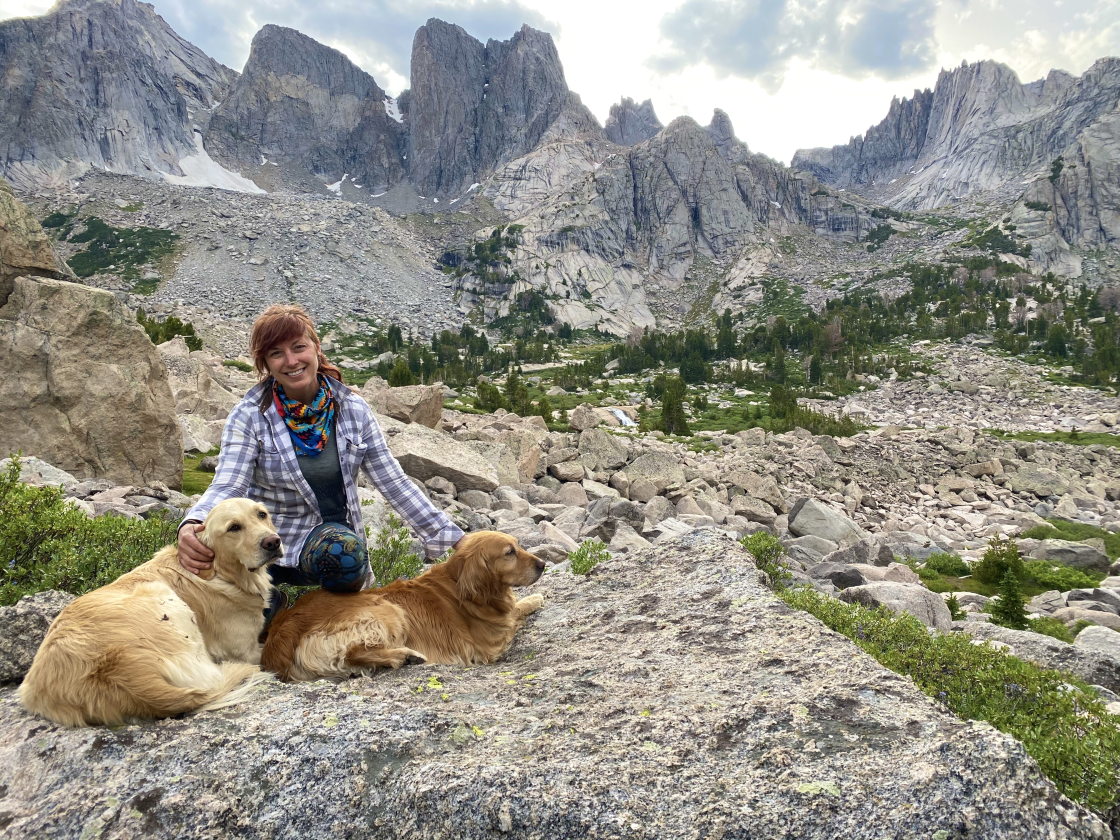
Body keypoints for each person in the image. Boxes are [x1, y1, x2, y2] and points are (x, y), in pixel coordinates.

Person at [178, 304, 464, 604]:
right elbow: (228, 484)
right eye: (276, 353)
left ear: (316, 347)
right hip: (263, 542)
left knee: (346, 555)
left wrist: (456, 539)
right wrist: (191, 522)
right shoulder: (250, 415)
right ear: (266, 363)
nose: (291, 361)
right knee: (206, 583)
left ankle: (330, 614)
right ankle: (271, 604)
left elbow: (394, 483)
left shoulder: (352, 409)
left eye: (298, 347)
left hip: (325, 540)